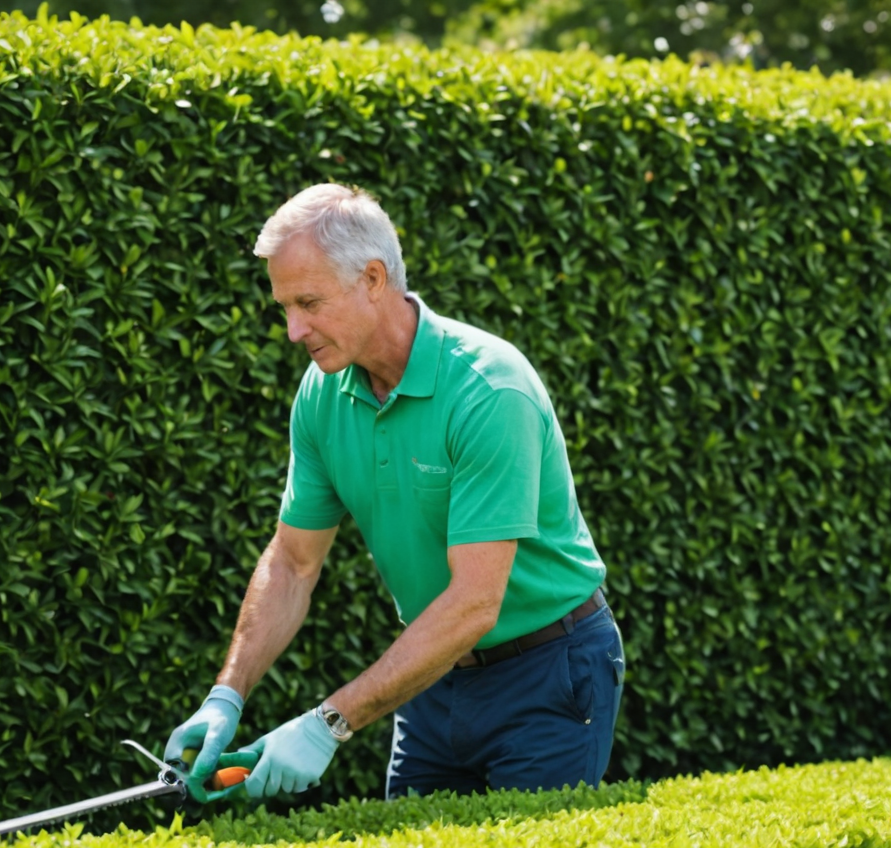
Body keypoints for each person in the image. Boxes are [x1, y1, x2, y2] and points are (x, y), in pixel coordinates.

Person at [164, 184, 624, 803]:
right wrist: (227, 694)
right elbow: (294, 562)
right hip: (433, 674)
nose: (294, 330)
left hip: (550, 671)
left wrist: (328, 723)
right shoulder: (323, 395)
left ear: (374, 279)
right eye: (285, 307)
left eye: (309, 303)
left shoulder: (489, 390)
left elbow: (475, 602)